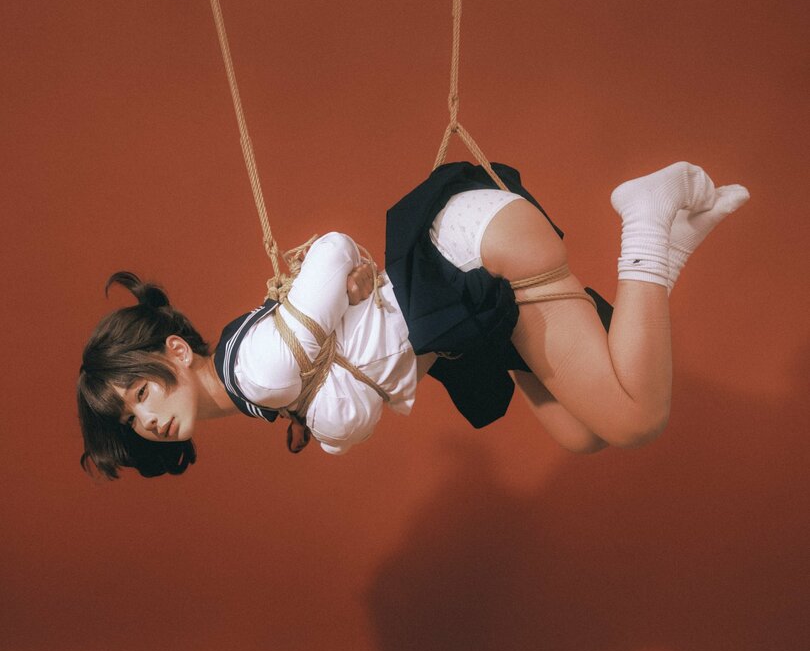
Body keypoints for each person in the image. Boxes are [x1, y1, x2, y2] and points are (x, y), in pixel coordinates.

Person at [77, 160, 749, 479]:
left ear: (175, 350)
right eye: (132, 420)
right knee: (581, 434)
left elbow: (333, 248)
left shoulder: (258, 370)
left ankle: (647, 216)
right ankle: (669, 248)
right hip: (460, 271)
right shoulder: (248, 375)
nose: (147, 420)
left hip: (461, 258)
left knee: (634, 419)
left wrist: (349, 274)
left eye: (141, 392)